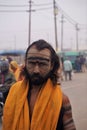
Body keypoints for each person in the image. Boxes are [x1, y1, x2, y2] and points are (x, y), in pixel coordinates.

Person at [2, 39, 76, 130]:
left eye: (42, 64)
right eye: (32, 63)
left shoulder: (62, 100)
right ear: (26, 62)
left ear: (51, 65)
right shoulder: (14, 92)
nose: (36, 70)